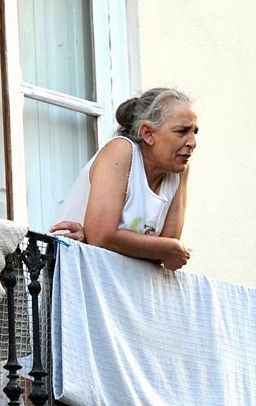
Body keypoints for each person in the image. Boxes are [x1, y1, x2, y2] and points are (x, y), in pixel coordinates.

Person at [50, 87, 197, 271]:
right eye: (182, 131)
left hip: (114, 286)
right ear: (148, 134)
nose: (192, 143)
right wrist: (167, 248)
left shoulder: (179, 171)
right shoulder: (122, 150)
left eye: (194, 132)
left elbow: (163, 257)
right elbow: (102, 236)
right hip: (69, 274)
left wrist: (165, 249)